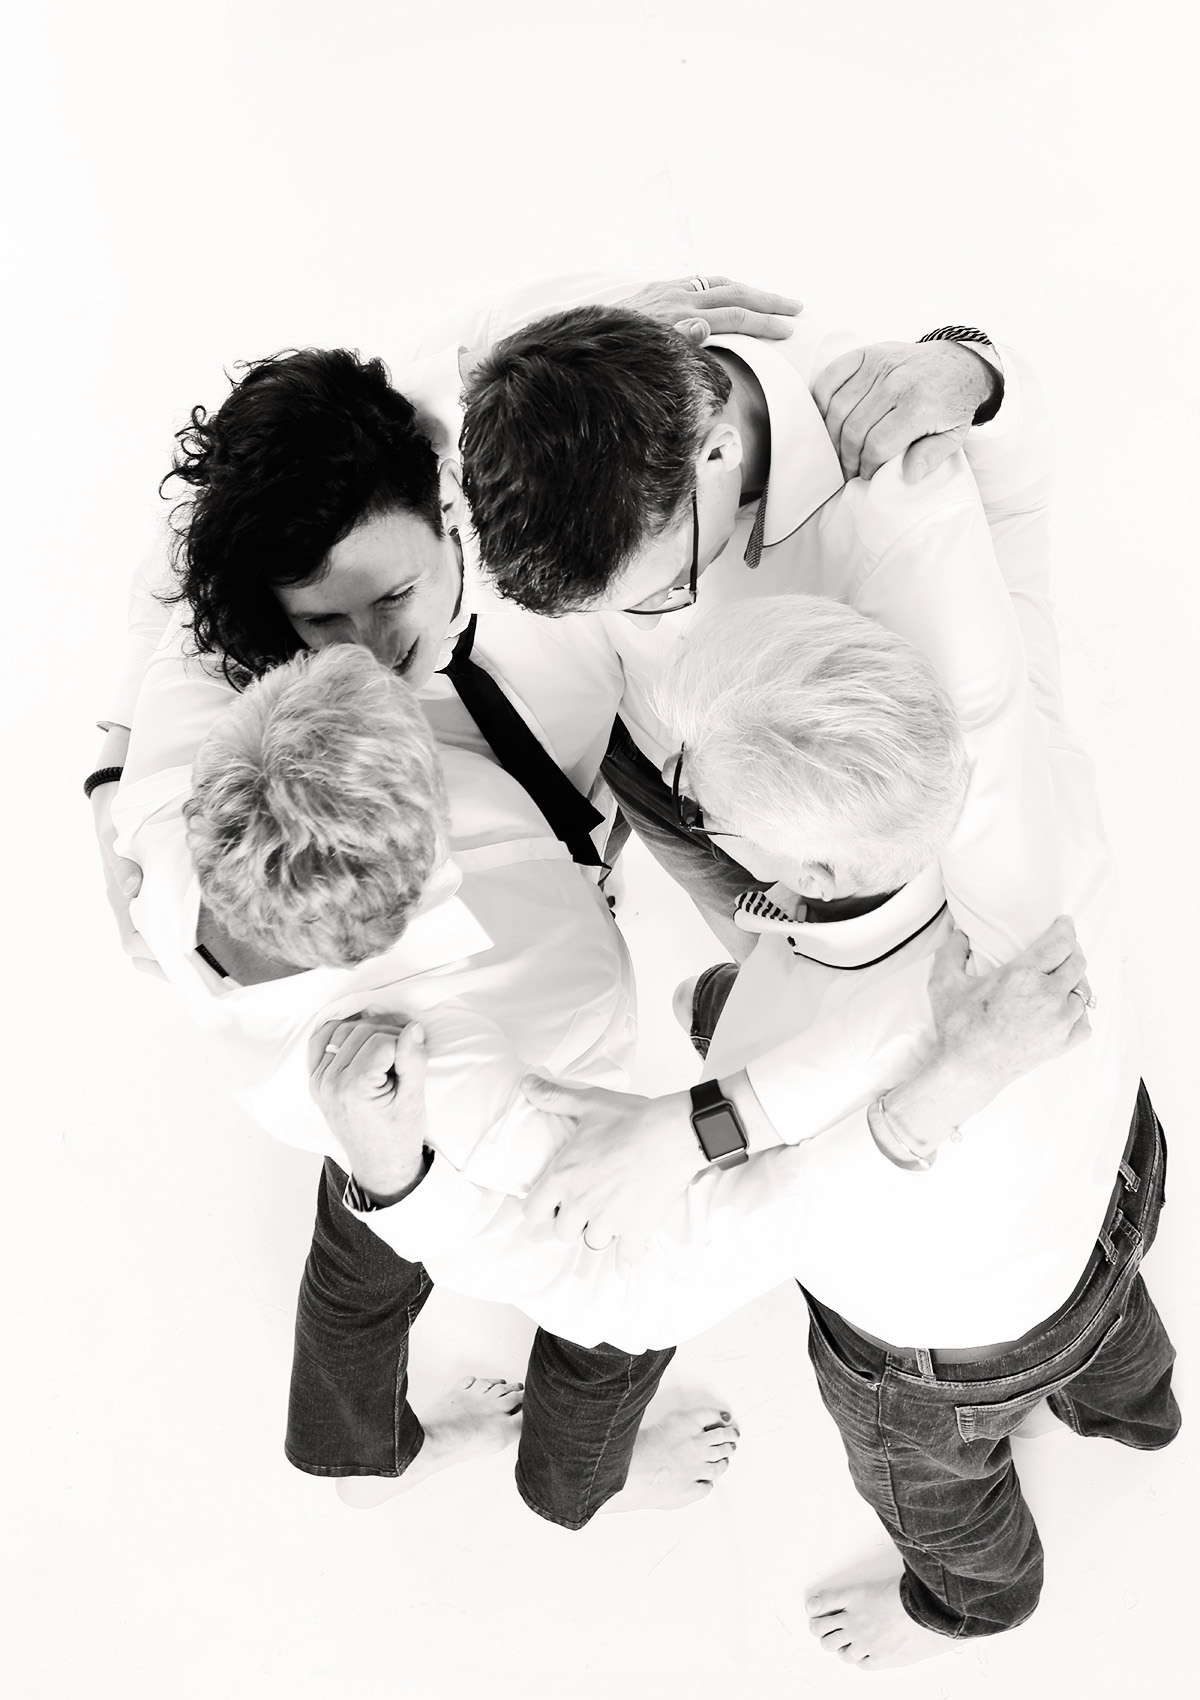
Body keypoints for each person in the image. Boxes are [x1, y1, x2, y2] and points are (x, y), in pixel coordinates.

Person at [145, 637, 1088, 1532]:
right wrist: (909, 1110)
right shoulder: (440, 1063)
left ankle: (358, 1452)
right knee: (594, 1345)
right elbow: (633, 1290)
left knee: (361, 1258)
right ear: (410, 897)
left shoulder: (174, 809)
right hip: (541, 1125)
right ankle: (577, 1486)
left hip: (405, 1119)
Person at [459, 300, 1014, 954]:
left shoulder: (900, 508)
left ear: (720, 452)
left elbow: (992, 777)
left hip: (782, 820)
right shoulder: (575, 373)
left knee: (786, 972)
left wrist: (973, 361)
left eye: (669, 587)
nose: (653, 613)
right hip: (644, 759)